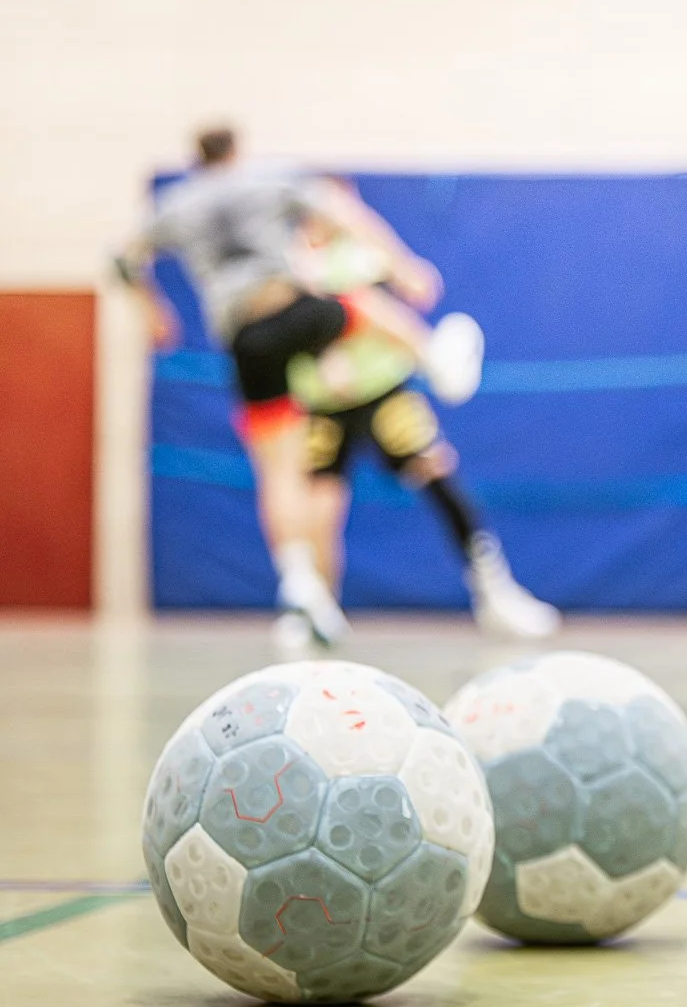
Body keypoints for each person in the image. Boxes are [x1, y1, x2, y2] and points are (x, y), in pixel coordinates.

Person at [114, 125, 481, 647]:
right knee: (358, 305)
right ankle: (433, 358)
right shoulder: (268, 179)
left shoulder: (176, 205)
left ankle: (299, 581)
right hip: (288, 308)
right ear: (236, 152)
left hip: (244, 338)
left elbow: (122, 258)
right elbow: (344, 213)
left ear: (197, 159)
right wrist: (402, 266)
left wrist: (153, 311)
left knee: (278, 468)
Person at [289, 211, 560, 644]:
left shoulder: (359, 255)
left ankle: (494, 590)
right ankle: (315, 608)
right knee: (319, 499)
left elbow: (417, 287)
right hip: (324, 403)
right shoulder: (291, 264)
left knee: (437, 473)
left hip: (383, 390)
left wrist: (403, 269)